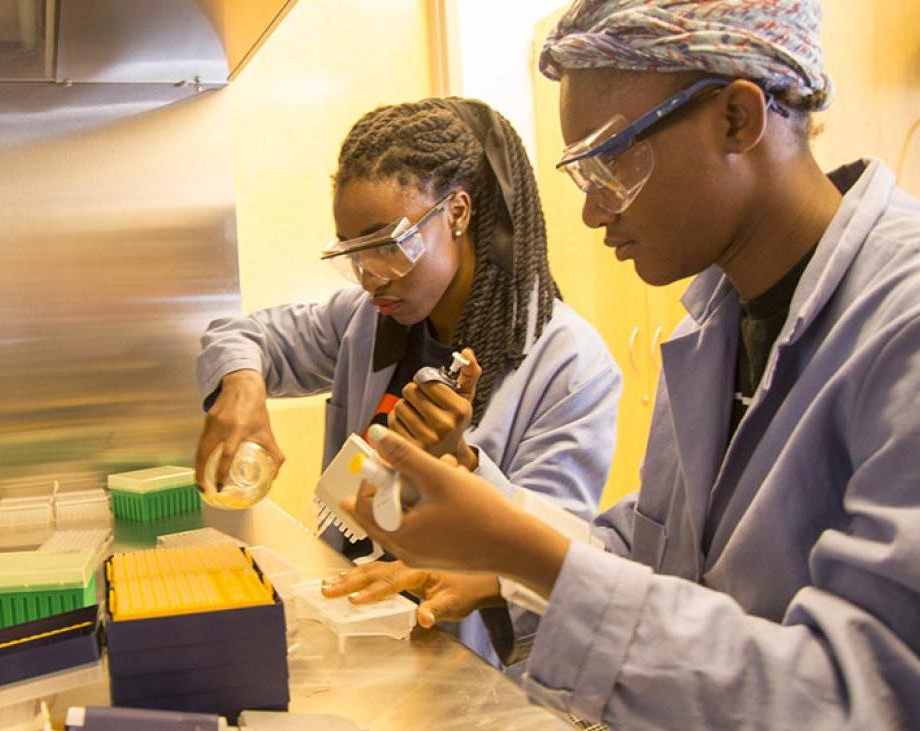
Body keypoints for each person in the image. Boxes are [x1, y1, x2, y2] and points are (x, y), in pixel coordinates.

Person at [334, 1, 920, 728]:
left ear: (737, 118)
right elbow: (657, 559)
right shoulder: (714, 318)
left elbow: (869, 698)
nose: (592, 212)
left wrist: (530, 554)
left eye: (611, 161)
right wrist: (508, 565)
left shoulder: (904, 322)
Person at [194, 98, 622, 662]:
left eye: (386, 245)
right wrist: (243, 386)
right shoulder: (368, 320)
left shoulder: (569, 362)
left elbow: (553, 564)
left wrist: (461, 463)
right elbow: (240, 336)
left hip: (457, 660)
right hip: (352, 626)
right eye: (354, 252)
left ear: (458, 213)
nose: (371, 277)